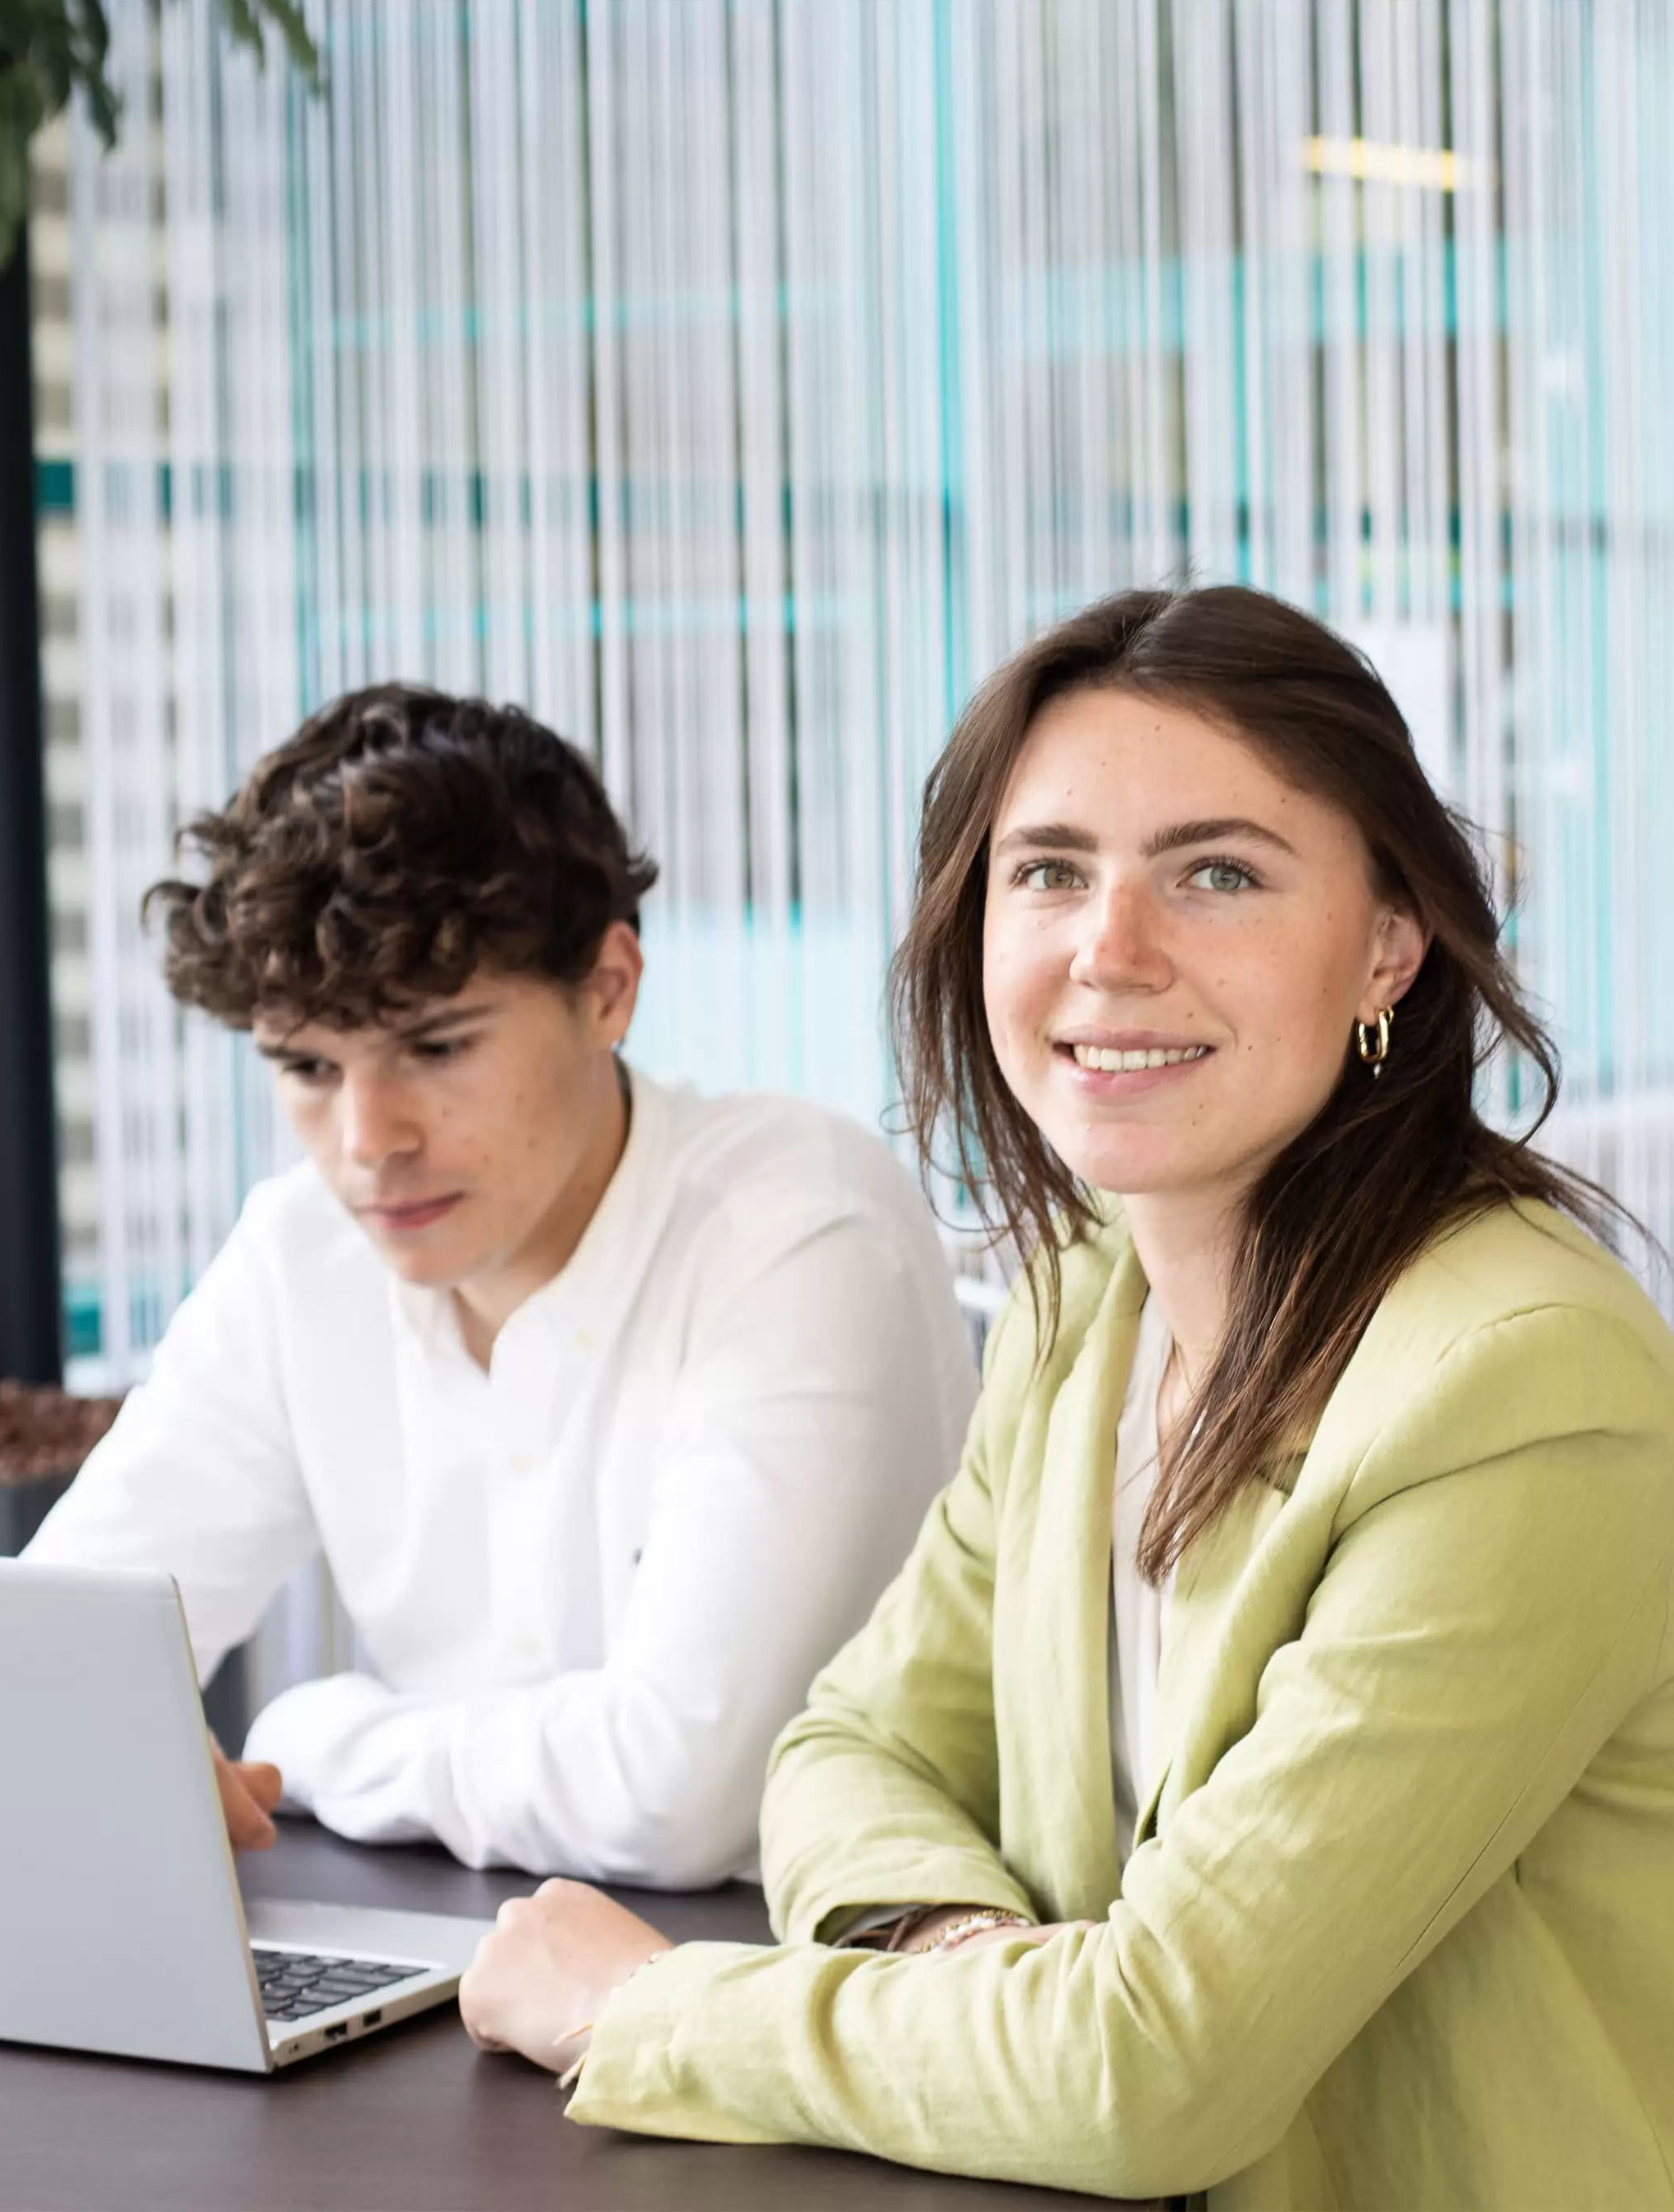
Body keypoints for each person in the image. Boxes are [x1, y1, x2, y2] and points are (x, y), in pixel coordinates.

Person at [456, 587, 1674, 2207]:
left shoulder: (1522, 1387)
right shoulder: (1082, 1309)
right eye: (1049, 874)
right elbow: (850, 1750)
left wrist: (643, 2006)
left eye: (1218, 874)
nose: (1110, 951)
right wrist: (972, 1964)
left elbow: (1152, 2073)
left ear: (1390, 944)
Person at [29, 683, 978, 1888]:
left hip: (799, 1991)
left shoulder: (798, 1223)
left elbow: (679, 1797)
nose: (369, 1140)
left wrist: (311, 1739)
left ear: (608, 989)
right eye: (310, 1067)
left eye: (436, 1048)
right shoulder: (298, 1258)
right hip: (470, 1962)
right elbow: (47, 1672)